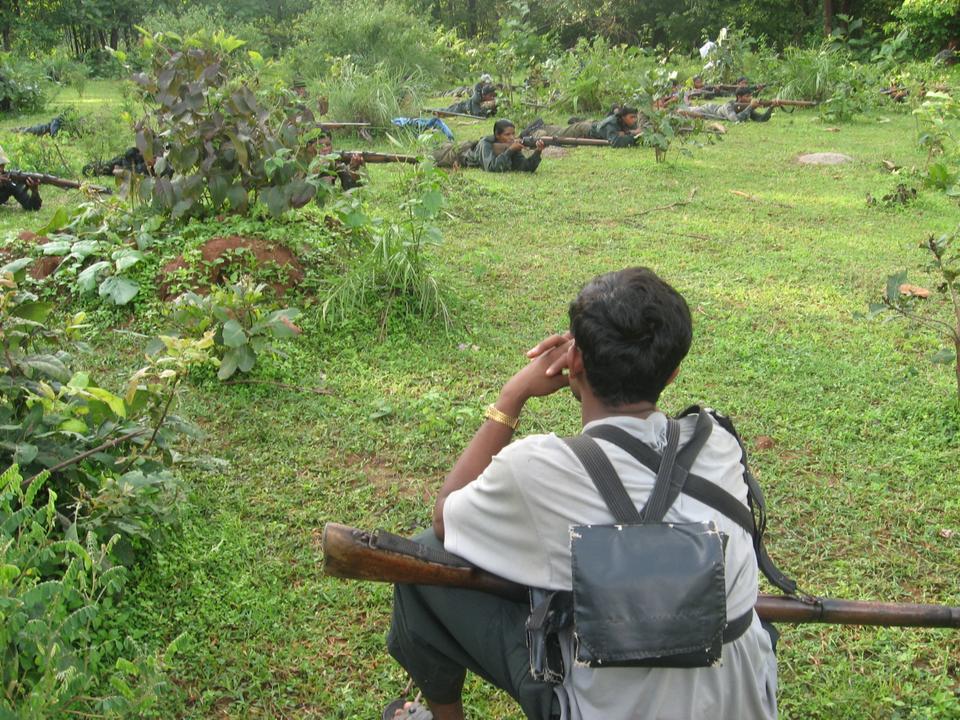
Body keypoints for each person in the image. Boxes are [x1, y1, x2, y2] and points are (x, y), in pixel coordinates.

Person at [386, 267, 779, 720]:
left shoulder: (536, 468)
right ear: (671, 375)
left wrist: (512, 396)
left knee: (422, 558)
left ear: (574, 362)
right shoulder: (718, 441)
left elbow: (445, 516)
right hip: (743, 702)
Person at [523, 106, 644, 148]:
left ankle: (543, 126)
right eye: (631, 117)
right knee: (560, 133)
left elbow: (622, 134)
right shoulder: (612, 123)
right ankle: (534, 129)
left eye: (635, 117)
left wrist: (628, 133)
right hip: (584, 129)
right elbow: (615, 142)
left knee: (561, 130)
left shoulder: (620, 121)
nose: (634, 120)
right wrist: (634, 138)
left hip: (592, 126)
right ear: (623, 117)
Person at [468, 119, 545, 173]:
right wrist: (510, 151)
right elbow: (491, 168)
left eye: (513, 134)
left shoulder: (511, 145)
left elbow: (525, 167)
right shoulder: (485, 143)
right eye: (507, 134)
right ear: (497, 135)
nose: (512, 137)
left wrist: (537, 152)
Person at [679, 87, 773, 123]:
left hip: (707, 109)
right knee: (681, 111)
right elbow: (735, 120)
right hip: (703, 110)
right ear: (739, 98)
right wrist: (751, 107)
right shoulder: (728, 106)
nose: (750, 98)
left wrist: (772, 106)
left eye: (751, 96)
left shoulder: (745, 107)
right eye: (747, 96)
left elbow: (761, 118)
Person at [0, 145, 42, 211]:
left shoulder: (9, 181)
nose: (0, 169)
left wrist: (34, 191)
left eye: (1, 165)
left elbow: (32, 207)